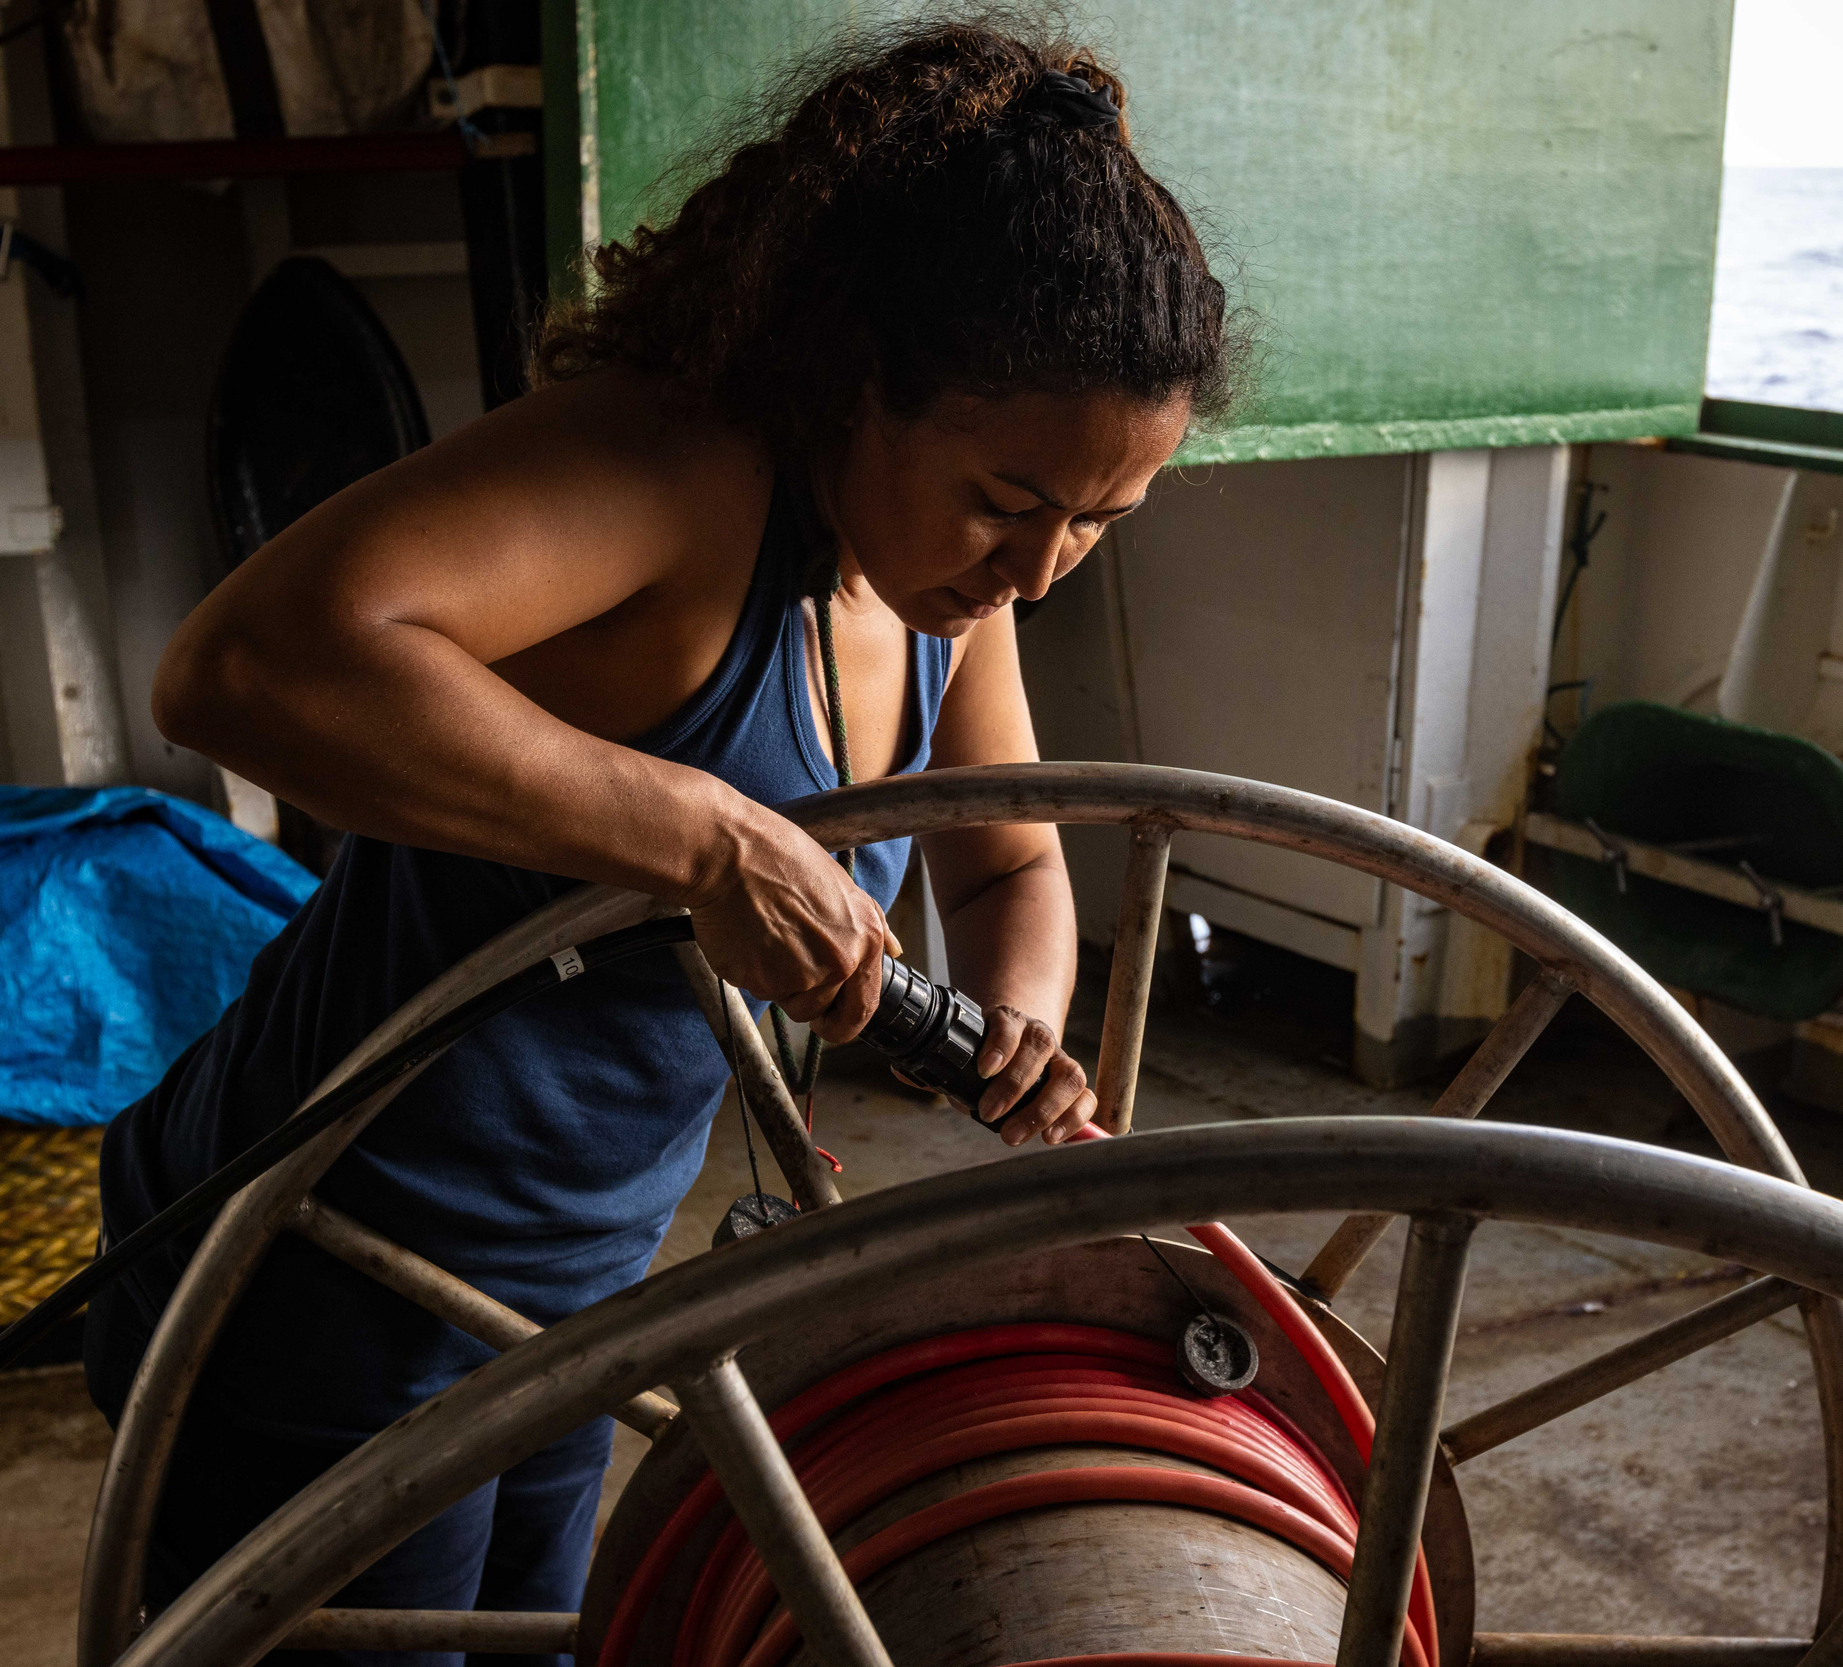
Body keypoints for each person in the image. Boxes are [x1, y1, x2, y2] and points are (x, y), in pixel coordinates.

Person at [86, 18, 1241, 1663]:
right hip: (317, 1274)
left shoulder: (940, 587)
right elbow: (243, 665)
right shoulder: (678, 473)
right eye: (1004, 499)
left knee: (550, 1644)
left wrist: (1019, 1027)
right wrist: (705, 837)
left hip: (582, 1287)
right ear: (858, 382)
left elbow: (1006, 861)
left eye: (1097, 521)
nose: (1042, 570)